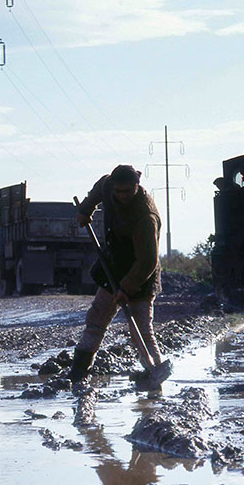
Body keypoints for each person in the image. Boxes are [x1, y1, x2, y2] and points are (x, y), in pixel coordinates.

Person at [69, 164, 164, 383]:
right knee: (97, 317)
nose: (121, 196)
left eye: (126, 191)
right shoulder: (108, 185)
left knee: (141, 329)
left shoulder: (145, 217)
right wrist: (85, 210)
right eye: (118, 191)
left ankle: (156, 369)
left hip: (141, 276)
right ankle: (79, 369)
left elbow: (147, 261)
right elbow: (98, 189)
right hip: (113, 265)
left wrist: (126, 288)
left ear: (136, 186)